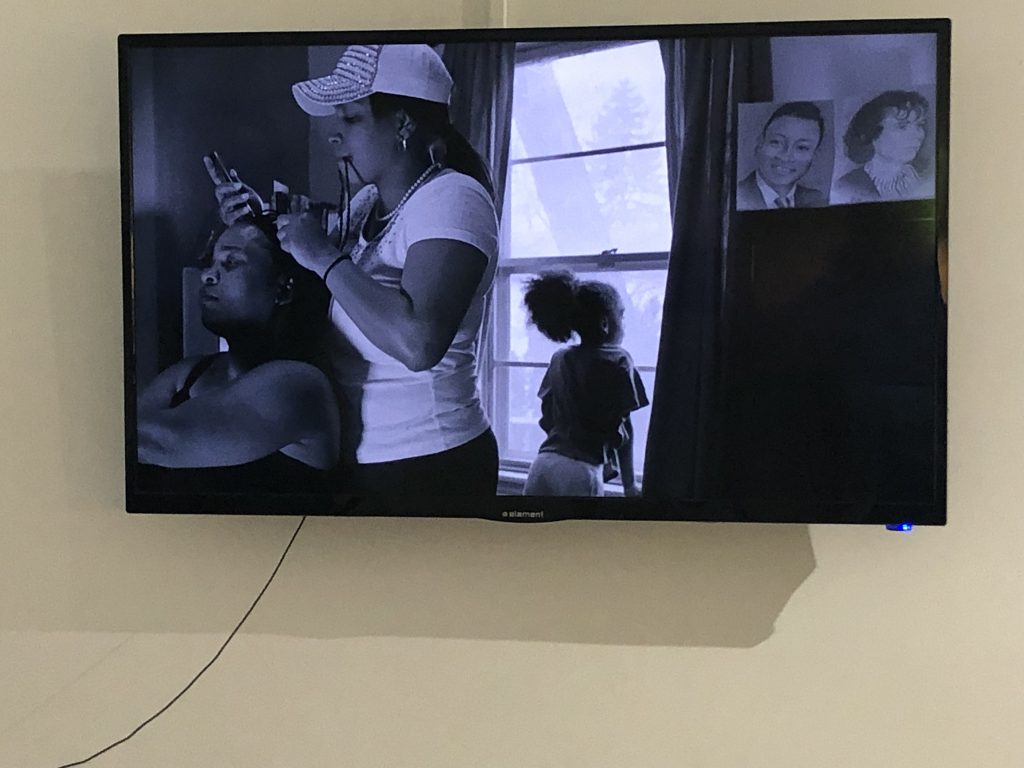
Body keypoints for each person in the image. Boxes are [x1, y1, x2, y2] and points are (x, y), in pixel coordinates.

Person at [212, 44, 499, 496]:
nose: (334, 135)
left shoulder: (453, 198)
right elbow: (323, 283)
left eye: (351, 118)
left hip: (429, 466)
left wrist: (326, 257)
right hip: (364, 460)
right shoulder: (367, 204)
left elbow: (419, 343)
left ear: (403, 123)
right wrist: (255, 222)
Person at [136, 213, 340, 494]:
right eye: (210, 263)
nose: (208, 274)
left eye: (230, 263)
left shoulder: (300, 383)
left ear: (283, 289)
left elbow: (155, 440)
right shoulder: (189, 373)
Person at [521, 272, 649, 497]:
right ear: (605, 324)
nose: (625, 324)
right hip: (581, 471)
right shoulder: (619, 360)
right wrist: (629, 484)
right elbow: (624, 429)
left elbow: (547, 416)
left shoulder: (560, 358)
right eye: (622, 315)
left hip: (543, 464)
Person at [832, 90, 932, 204]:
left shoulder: (916, 178)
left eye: (919, 125)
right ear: (872, 133)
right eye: (902, 126)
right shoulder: (848, 186)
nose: (918, 135)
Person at [737, 101, 829, 211]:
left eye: (801, 148)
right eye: (776, 142)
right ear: (760, 143)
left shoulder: (818, 200)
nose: (786, 156)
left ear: (814, 155)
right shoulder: (738, 195)